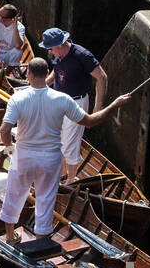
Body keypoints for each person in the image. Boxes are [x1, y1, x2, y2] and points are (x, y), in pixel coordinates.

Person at [0, 58, 130, 242]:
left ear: (28, 74)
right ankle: (40, 242)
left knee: (14, 195)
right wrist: (114, 105)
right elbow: (90, 121)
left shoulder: (17, 98)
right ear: (47, 75)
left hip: (23, 155)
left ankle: (11, 237)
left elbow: (4, 130)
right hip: (50, 159)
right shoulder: (62, 99)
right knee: (45, 200)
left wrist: (9, 149)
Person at [41, 27, 108, 187]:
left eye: (50, 48)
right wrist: (42, 85)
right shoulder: (57, 55)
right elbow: (55, 73)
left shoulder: (82, 55)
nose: (49, 52)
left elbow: (102, 77)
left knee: (70, 142)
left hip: (76, 103)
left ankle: (71, 179)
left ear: (59, 45)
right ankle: (62, 173)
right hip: (58, 100)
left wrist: (97, 107)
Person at [0, 4, 28, 74]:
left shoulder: (20, 27)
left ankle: (5, 74)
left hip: (7, 55)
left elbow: (17, 45)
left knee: (18, 52)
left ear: (10, 19)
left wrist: (15, 26)